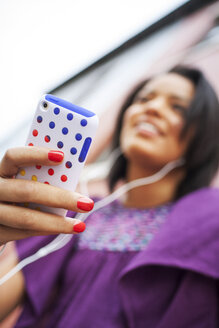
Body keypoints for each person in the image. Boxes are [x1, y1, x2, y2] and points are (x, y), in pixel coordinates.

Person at [0, 65, 219, 328]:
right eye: (144, 99)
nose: (152, 108)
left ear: (203, 136)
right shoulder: (70, 213)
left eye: (178, 107)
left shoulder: (211, 222)